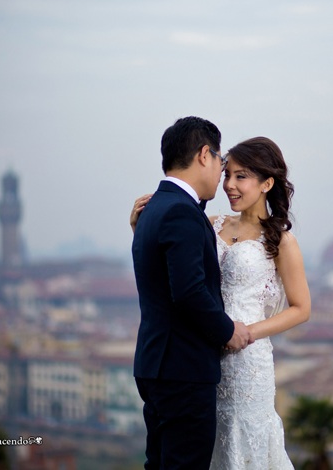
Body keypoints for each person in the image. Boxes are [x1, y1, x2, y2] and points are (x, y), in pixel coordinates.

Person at [131, 136, 312, 469]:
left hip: (246, 360)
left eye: (241, 176)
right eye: (227, 173)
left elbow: (301, 309)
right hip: (199, 352)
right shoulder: (209, 223)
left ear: (267, 183)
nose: (229, 184)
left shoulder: (281, 240)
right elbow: (180, 275)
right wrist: (139, 231)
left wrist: (246, 333)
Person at [131, 116, 253, 470]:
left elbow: (161, 277)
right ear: (204, 155)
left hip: (157, 364)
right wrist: (228, 331)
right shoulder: (181, 213)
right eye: (221, 163)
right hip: (183, 369)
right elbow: (188, 291)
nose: (221, 175)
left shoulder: (152, 208)